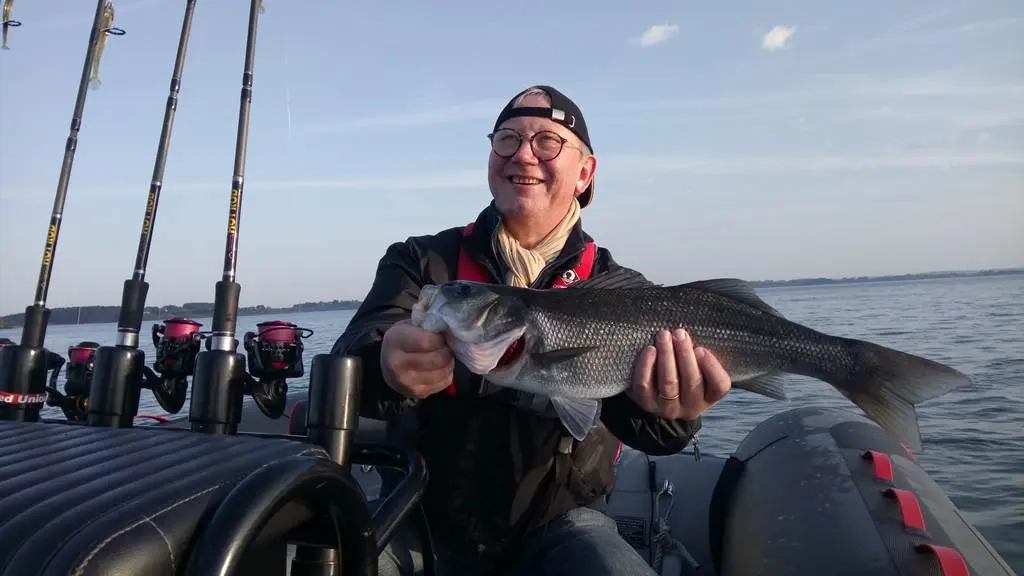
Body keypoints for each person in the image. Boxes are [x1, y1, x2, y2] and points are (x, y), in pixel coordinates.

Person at [331, 85, 733, 576]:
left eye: (547, 142)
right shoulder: (421, 262)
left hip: (565, 522)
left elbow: (655, 435)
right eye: (507, 138)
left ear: (585, 172)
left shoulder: (621, 291)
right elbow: (354, 353)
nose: (523, 154)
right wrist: (383, 365)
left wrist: (676, 413)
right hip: (419, 515)